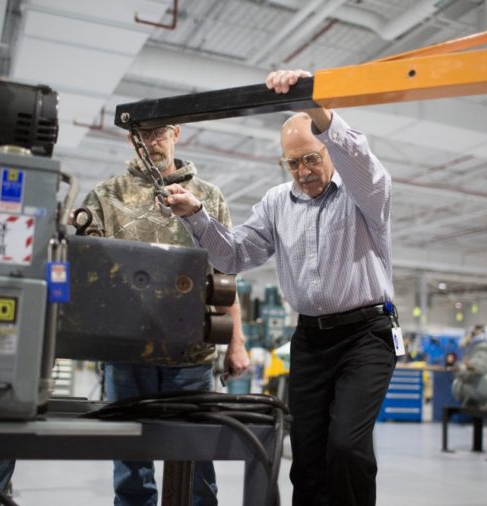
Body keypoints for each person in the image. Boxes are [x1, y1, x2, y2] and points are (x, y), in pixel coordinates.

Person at [165, 69, 399, 506]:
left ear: (328, 148)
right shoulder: (276, 202)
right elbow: (233, 256)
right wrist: (196, 213)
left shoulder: (364, 193)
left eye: (311, 158)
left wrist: (314, 101)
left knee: (347, 445)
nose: (303, 171)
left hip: (366, 337)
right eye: (292, 163)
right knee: (307, 454)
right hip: (310, 339)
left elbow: (360, 160)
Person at [80, 122, 251, 506]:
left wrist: (236, 343)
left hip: (191, 355)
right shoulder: (107, 196)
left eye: (159, 133)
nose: (152, 141)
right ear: (131, 139)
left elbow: (225, 275)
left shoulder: (208, 196)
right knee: (130, 465)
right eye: (143, 134)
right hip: (125, 353)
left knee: (195, 462)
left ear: (177, 134)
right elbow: (86, 271)